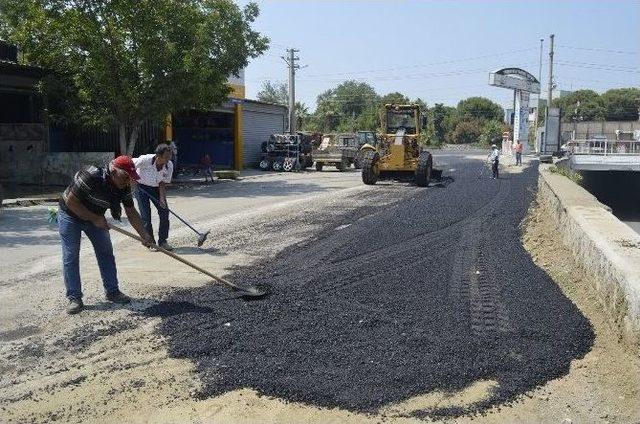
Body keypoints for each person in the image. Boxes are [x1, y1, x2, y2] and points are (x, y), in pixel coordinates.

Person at [58, 156, 153, 314]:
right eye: (125, 177)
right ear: (114, 172)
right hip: (71, 215)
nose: (127, 182)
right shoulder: (90, 176)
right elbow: (71, 202)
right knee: (71, 256)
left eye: (130, 178)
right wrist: (95, 219)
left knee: (106, 253)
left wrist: (144, 234)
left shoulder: (123, 186)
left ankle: (112, 291)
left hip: (96, 217)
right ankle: (74, 297)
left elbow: (131, 211)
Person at [133, 144, 174, 251]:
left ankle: (163, 241)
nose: (168, 160)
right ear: (158, 156)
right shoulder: (145, 160)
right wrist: (133, 180)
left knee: (164, 212)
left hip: (156, 188)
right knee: (146, 216)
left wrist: (162, 199)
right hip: (141, 187)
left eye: (169, 157)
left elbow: (162, 183)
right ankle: (150, 242)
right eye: (166, 157)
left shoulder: (169, 165)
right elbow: (129, 166)